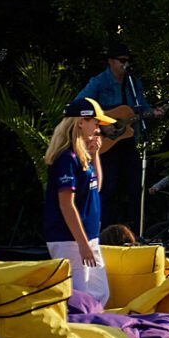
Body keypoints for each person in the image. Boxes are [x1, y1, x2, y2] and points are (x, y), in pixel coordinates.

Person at [42, 99, 114, 298]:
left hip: (87, 238)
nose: (98, 129)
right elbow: (66, 204)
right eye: (96, 123)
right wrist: (82, 244)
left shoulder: (80, 155)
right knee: (80, 299)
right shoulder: (66, 158)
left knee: (100, 294)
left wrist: (95, 154)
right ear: (81, 122)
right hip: (70, 240)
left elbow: (96, 187)